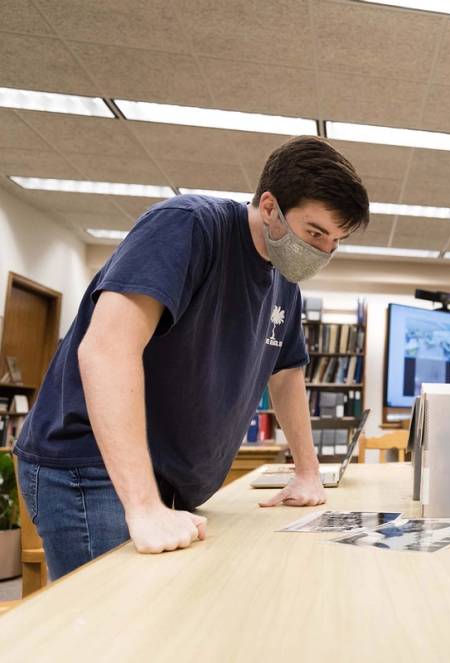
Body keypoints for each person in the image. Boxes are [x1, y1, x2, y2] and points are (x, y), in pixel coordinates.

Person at [14, 136, 369, 579]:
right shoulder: (188, 226)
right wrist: (143, 506)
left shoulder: (285, 284)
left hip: (168, 478)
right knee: (115, 632)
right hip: (91, 468)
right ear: (270, 206)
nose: (321, 253)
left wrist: (308, 472)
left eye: (334, 242)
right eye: (315, 233)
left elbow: (287, 374)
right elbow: (106, 350)